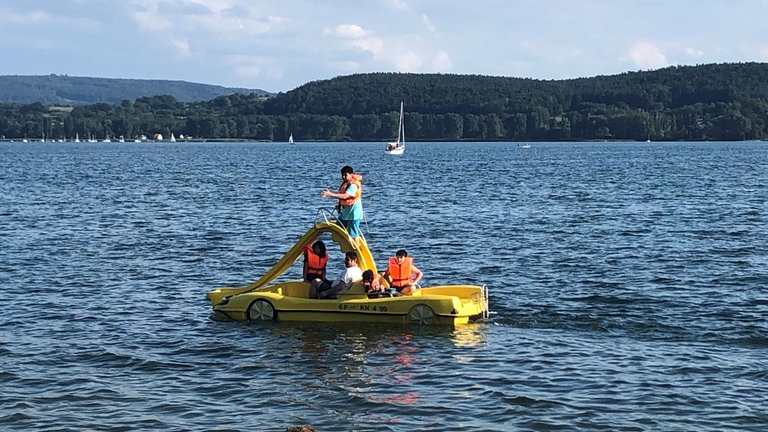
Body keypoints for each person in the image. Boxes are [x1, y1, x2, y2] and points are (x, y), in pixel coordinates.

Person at [321, 165, 364, 242]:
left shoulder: (353, 185)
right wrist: (340, 205)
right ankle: (345, 244)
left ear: (351, 174)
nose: (344, 177)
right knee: (338, 228)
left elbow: (346, 196)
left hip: (354, 213)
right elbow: (346, 199)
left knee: (353, 233)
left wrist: (330, 194)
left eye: (346, 175)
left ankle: (356, 248)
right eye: (342, 175)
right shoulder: (346, 184)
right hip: (346, 212)